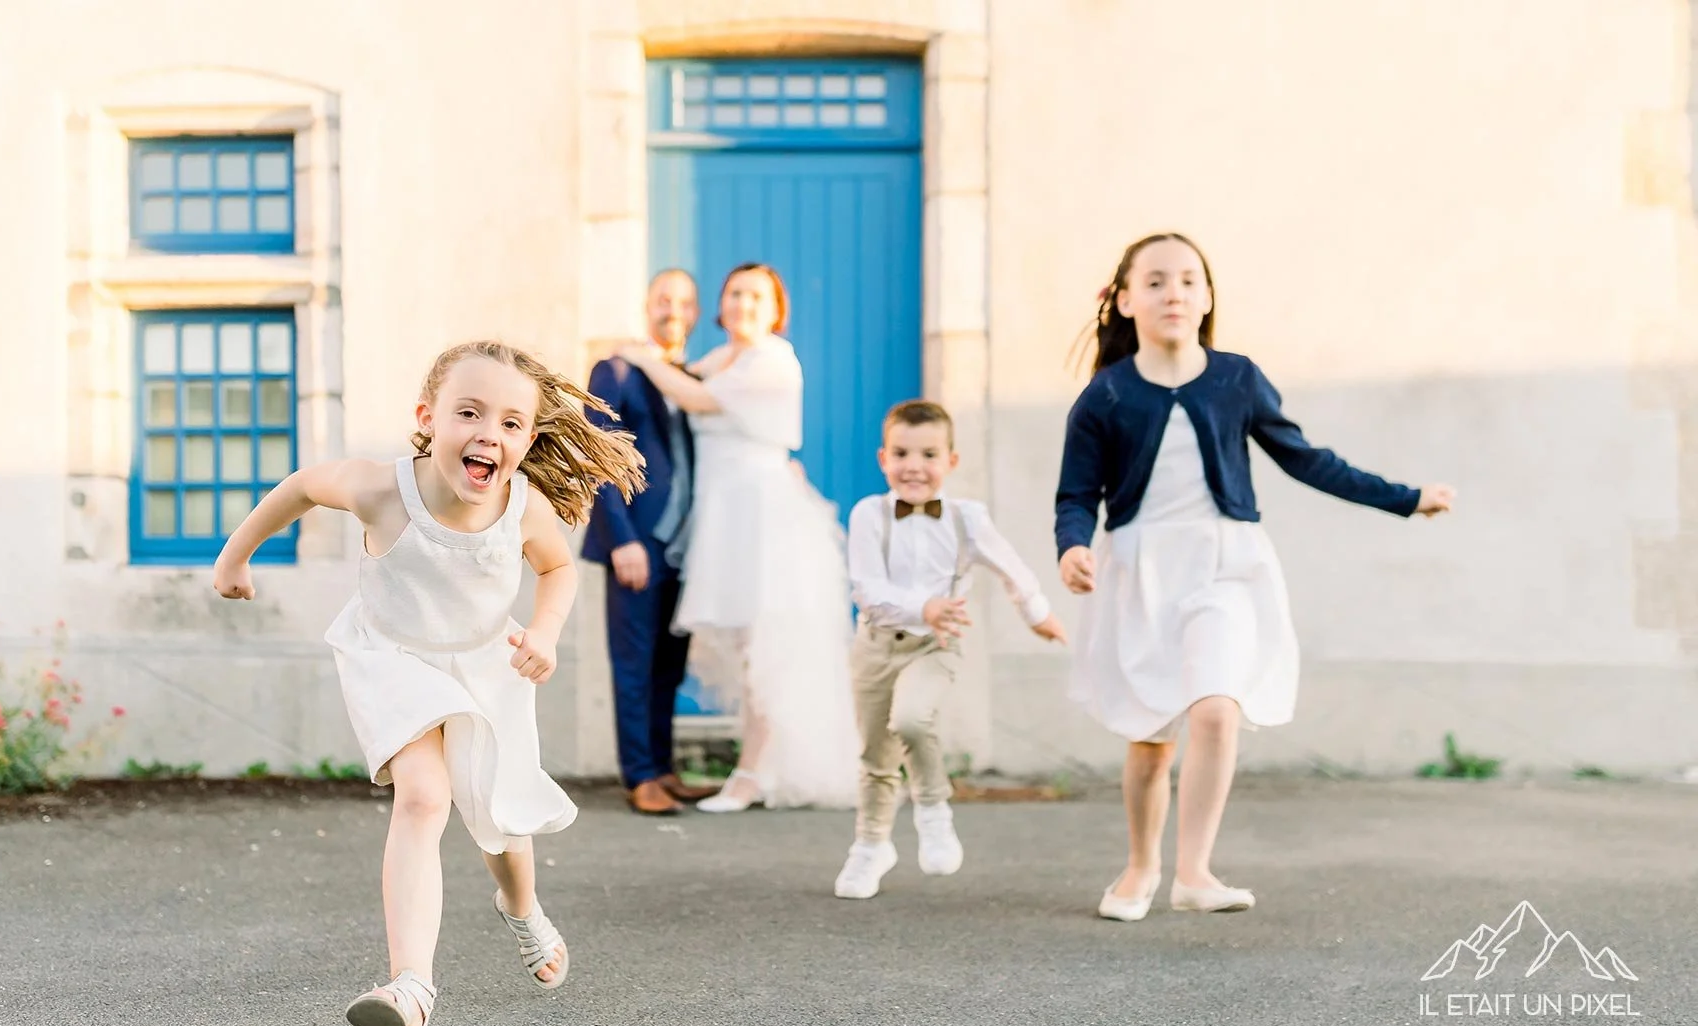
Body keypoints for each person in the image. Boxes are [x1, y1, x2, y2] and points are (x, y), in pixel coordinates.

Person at [212, 341, 646, 1026]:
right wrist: (235, 557)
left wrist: (545, 629)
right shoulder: (382, 489)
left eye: (510, 424)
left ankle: (521, 905)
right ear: (427, 417)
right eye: (468, 413)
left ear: (528, 441)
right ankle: (409, 989)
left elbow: (559, 566)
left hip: (486, 661)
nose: (489, 434)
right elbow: (298, 487)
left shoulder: (523, 507)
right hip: (392, 658)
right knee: (423, 796)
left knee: (500, 823)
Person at [1054, 234, 1455, 922]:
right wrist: (1071, 547)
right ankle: (1141, 866)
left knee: (1216, 708)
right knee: (1151, 740)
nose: (1173, 292)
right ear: (1125, 300)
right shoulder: (1106, 395)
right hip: (1142, 571)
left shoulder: (1236, 378)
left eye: (1187, 280)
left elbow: (1305, 458)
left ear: (1207, 297)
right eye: (1154, 281)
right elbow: (1075, 494)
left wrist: (1403, 497)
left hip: (1228, 568)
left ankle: (1193, 871)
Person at [621, 262, 860, 813]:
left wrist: (641, 357)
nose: (743, 303)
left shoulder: (773, 360)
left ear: (776, 310)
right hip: (726, 516)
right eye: (734, 293)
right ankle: (760, 766)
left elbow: (697, 399)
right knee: (753, 648)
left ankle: (752, 774)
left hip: (762, 518)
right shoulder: (716, 360)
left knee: (766, 647)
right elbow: (687, 386)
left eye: (756, 296)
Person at [832, 400, 1069, 900]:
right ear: (883, 459)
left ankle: (933, 810)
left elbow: (1012, 568)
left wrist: (1038, 614)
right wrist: (925, 604)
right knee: (876, 756)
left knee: (913, 720)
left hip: (936, 646)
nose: (913, 466)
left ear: (951, 462)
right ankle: (871, 847)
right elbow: (866, 588)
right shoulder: (869, 514)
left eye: (928, 454)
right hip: (875, 646)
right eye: (901, 453)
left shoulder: (967, 518)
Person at [581, 269, 719, 815]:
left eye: (684, 301)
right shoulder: (614, 370)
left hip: (689, 546)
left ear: (695, 312)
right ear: (647, 306)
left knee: (669, 664)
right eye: (663, 299)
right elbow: (597, 453)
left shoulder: (694, 379)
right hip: (638, 543)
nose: (673, 309)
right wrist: (622, 539)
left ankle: (663, 768)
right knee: (634, 661)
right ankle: (639, 775)